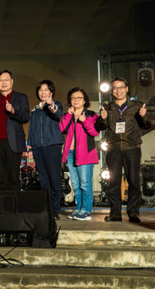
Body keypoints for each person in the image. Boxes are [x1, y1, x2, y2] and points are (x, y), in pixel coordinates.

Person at [95, 77, 151, 223]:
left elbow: (147, 125)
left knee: (133, 180)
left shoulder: (137, 106)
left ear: (126, 88)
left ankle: (133, 212)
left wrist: (144, 117)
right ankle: (115, 213)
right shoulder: (107, 108)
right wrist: (102, 119)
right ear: (112, 91)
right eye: (115, 88)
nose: (118, 90)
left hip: (132, 147)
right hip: (113, 148)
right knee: (113, 181)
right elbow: (98, 128)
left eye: (121, 87)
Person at [0, 70, 30, 191]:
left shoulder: (21, 97)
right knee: (2, 178)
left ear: (12, 81)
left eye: (6, 80)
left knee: (14, 177)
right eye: (0, 81)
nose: (3, 83)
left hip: (14, 142)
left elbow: (26, 117)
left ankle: (15, 207)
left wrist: (13, 111)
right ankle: (4, 207)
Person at [59, 87, 99, 221]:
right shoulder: (67, 115)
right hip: (70, 153)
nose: (76, 100)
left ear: (84, 100)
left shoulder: (92, 114)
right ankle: (79, 208)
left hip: (85, 154)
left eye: (79, 98)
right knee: (75, 185)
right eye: (73, 98)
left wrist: (84, 120)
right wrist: (69, 115)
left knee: (85, 184)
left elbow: (95, 132)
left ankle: (86, 210)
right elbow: (61, 129)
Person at [27, 80, 64, 219]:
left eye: (46, 90)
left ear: (51, 92)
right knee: (43, 179)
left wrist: (51, 105)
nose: (43, 92)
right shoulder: (35, 110)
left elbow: (57, 114)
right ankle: (47, 208)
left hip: (52, 145)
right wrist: (30, 146)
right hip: (37, 147)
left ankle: (55, 209)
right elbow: (31, 129)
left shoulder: (56, 105)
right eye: (40, 90)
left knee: (54, 177)